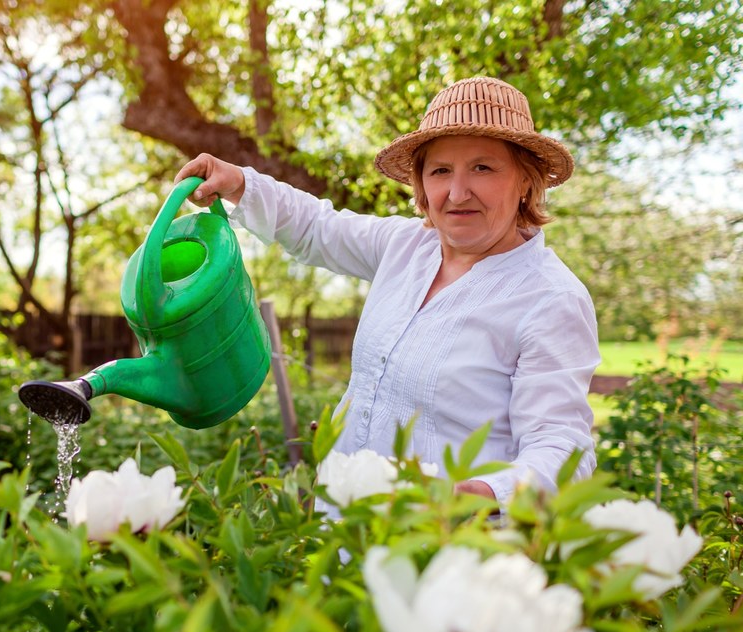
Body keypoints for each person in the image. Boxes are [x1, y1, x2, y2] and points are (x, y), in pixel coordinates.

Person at [174, 76, 600, 503]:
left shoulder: (551, 299)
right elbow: (316, 227)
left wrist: (492, 493)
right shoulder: (407, 246)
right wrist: (240, 183)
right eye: (440, 171)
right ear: (421, 184)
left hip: (441, 541)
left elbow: (561, 446)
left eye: (483, 167)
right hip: (340, 524)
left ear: (526, 180)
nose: (456, 192)